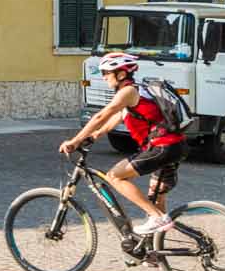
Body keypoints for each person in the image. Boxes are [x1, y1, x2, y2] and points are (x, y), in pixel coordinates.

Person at [58, 51, 182, 235]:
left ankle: (158, 218)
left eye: (106, 73)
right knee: (155, 195)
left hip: (161, 147)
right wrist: (95, 135)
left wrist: (75, 141)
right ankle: (155, 246)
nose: (104, 77)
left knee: (115, 176)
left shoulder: (128, 92)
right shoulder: (138, 91)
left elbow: (101, 116)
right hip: (174, 146)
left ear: (121, 74)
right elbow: (118, 117)